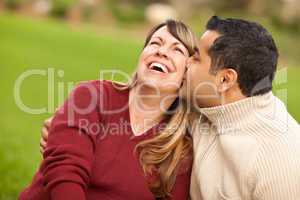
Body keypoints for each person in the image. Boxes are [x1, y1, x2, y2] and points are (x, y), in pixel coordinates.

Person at [19, 19, 198, 200]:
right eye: (155, 43)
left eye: (177, 49)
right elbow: (65, 171)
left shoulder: (180, 149)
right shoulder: (92, 96)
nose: (161, 51)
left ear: (187, 73)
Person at [181, 16, 300, 200]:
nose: (186, 62)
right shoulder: (203, 107)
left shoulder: (281, 160)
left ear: (224, 79)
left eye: (196, 58)